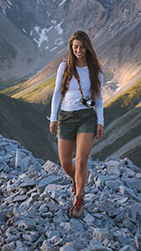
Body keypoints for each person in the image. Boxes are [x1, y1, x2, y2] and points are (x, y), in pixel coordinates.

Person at [49, 30, 104, 218]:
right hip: (65, 117)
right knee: (65, 163)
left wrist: (100, 122)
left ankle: (79, 199)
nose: (78, 50)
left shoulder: (95, 69)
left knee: (81, 161)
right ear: (71, 48)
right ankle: (77, 180)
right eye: (75, 47)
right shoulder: (64, 67)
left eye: (81, 47)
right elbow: (57, 93)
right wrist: (53, 118)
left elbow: (99, 98)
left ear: (87, 47)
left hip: (87, 118)